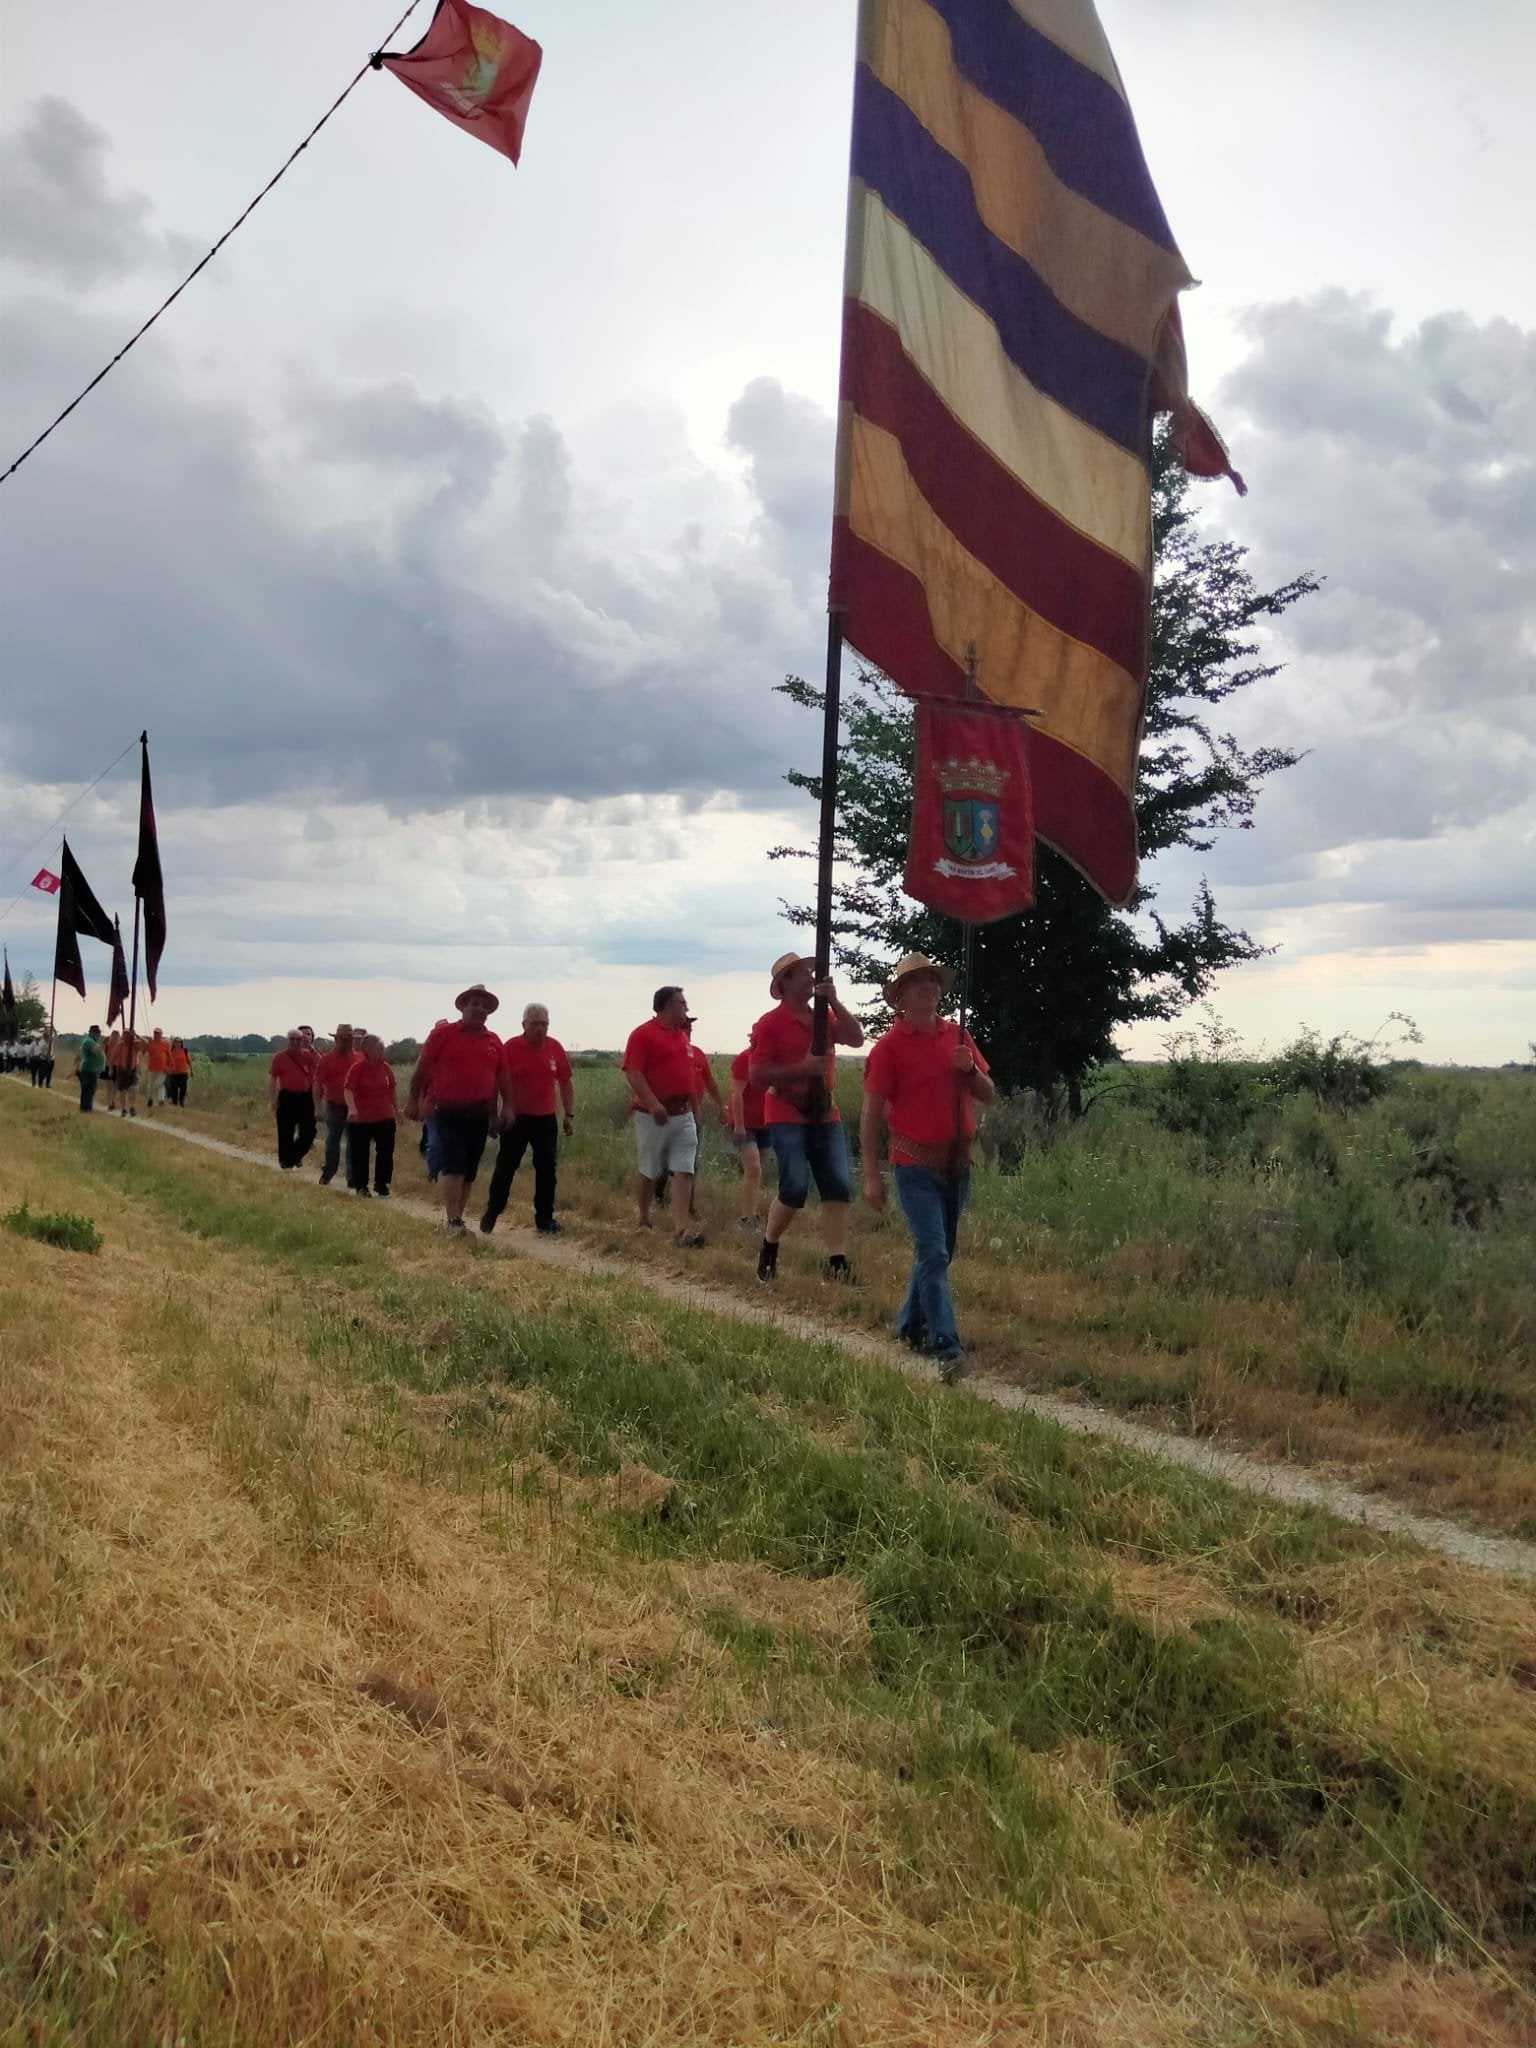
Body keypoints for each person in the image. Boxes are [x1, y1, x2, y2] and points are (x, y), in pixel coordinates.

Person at [860, 954, 996, 1381]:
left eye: (934, 982)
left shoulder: (958, 1037)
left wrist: (969, 1068)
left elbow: (988, 1093)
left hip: (956, 1164)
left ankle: (907, 1324)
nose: (930, 988)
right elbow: (870, 1114)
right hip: (914, 1163)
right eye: (919, 983)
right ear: (900, 996)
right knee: (934, 1252)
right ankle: (946, 1345)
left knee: (938, 1254)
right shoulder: (888, 1048)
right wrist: (870, 1175)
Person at [749, 951, 864, 1283]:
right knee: (795, 1186)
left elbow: (856, 1038)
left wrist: (835, 1003)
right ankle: (770, 1244)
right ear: (784, 982)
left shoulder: (822, 1019)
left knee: (838, 1185)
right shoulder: (769, 1024)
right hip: (786, 1110)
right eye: (802, 973)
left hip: (825, 1111)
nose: (811, 977)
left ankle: (837, 1262)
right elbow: (757, 1075)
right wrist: (801, 1069)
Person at [404, 985, 503, 1233]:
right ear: (463, 1006)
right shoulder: (442, 1035)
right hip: (447, 1111)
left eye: (484, 1005)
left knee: (469, 1169)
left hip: (478, 1113)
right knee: (454, 1163)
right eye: (474, 1004)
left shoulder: (493, 1041)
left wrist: (497, 1112)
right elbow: (421, 1070)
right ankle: (453, 1219)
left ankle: (458, 1215)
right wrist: (413, 1101)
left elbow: (499, 1080)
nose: (479, 1009)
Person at [481, 1003, 574, 1237]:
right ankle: (492, 1212)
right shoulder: (510, 1048)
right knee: (506, 1167)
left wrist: (569, 1114)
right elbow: (495, 1082)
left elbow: (565, 1081)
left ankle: (544, 1219)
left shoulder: (555, 1048)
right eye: (535, 1024)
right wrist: (494, 1114)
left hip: (545, 1119)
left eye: (544, 1024)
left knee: (546, 1170)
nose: (540, 1029)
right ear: (524, 1025)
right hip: (516, 1118)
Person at [621, 985, 704, 1245]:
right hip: (653, 1115)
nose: (686, 1008)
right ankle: (644, 1219)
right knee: (650, 1169)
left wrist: (695, 1108)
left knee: (684, 1169)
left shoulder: (682, 1038)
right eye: (682, 1003)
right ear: (668, 1006)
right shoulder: (643, 1034)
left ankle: (681, 1230)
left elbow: (687, 1077)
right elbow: (633, 1072)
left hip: (683, 1114)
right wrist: (653, 1103)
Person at [344, 1034, 398, 1197]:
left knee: (386, 1151)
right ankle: (361, 1186)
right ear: (366, 1049)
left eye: (383, 1047)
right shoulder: (358, 1068)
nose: (383, 1050)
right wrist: (352, 1109)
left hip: (384, 1116)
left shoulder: (385, 1067)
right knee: (360, 1153)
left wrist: (397, 1110)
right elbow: (348, 1090)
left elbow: (392, 1089)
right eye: (379, 1048)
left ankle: (381, 1184)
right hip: (361, 1119)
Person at [728, 1043, 772, 1232]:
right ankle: (746, 1219)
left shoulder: (772, 1061)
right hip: (745, 1123)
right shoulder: (744, 1059)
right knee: (753, 1168)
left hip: (765, 1121)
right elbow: (736, 1094)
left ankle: (752, 1214)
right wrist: (738, 1125)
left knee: (757, 1170)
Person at [312, 1024, 358, 1185]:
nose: (347, 1042)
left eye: (350, 1039)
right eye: (344, 1039)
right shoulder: (326, 1060)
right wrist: (318, 1107)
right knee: (333, 1141)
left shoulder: (359, 1058)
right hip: (335, 1105)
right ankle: (328, 1173)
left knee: (353, 1142)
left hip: (354, 1106)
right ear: (336, 1039)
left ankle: (352, 1178)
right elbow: (317, 1084)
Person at [268, 1028, 318, 1169]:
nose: (295, 1042)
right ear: (287, 1041)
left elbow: (322, 1064)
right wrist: (273, 1100)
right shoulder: (279, 1057)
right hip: (287, 1097)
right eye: (292, 1039)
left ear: (303, 1041)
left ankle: (294, 1156)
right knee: (285, 1131)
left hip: (306, 1098)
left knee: (309, 1132)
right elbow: (273, 1079)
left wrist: (311, 1048)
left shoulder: (308, 1055)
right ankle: (286, 1163)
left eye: (298, 1039)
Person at [73, 1024, 107, 1113]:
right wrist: (103, 1044)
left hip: (92, 1069)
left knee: (88, 1090)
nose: (98, 1035)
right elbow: (95, 1051)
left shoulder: (92, 1041)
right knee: (89, 1090)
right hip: (90, 1069)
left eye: (99, 1032)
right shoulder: (88, 1041)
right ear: (92, 1033)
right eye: (97, 1032)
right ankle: (86, 1109)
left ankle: (85, 1108)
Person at [115, 1030, 141, 1117]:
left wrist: (136, 1035)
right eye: (124, 1035)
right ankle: (123, 1109)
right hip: (122, 1070)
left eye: (128, 1035)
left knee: (133, 1089)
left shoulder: (135, 1044)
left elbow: (146, 1044)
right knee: (122, 1090)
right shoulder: (120, 1045)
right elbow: (114, 1057)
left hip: (132, 1069)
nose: (126, 1037)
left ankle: (132, 1107)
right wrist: (112, 1068)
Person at [144, 1027, 171, 1112]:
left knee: (160, 1084)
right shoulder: (150, 1043)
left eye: (158, 1033)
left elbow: (169, 1056)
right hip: (152, 1068)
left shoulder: (165, 1044)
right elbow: (144, 1045)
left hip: (162, 1068)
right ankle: (150, 1099)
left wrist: (169, 1066)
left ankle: (161, 1100)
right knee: (151, 1085)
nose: (156, 1035)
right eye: (155, 1033)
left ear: (161, 1035)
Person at [167, 1037, 192, 1106]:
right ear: (174, 1043)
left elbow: (189, 1061)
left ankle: (181, 1102)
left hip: (183, 1073)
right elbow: (168, 1062)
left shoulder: (185, 1051)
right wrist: (168, 1070)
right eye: (176, 1042)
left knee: (183, 1089)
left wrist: (191, 1070)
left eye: (179, 1042)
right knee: (174, 1090)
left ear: (181, 1043)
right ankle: (175, 1103)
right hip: (173, 1074)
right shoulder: (171, 1052)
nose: (178, 1043)